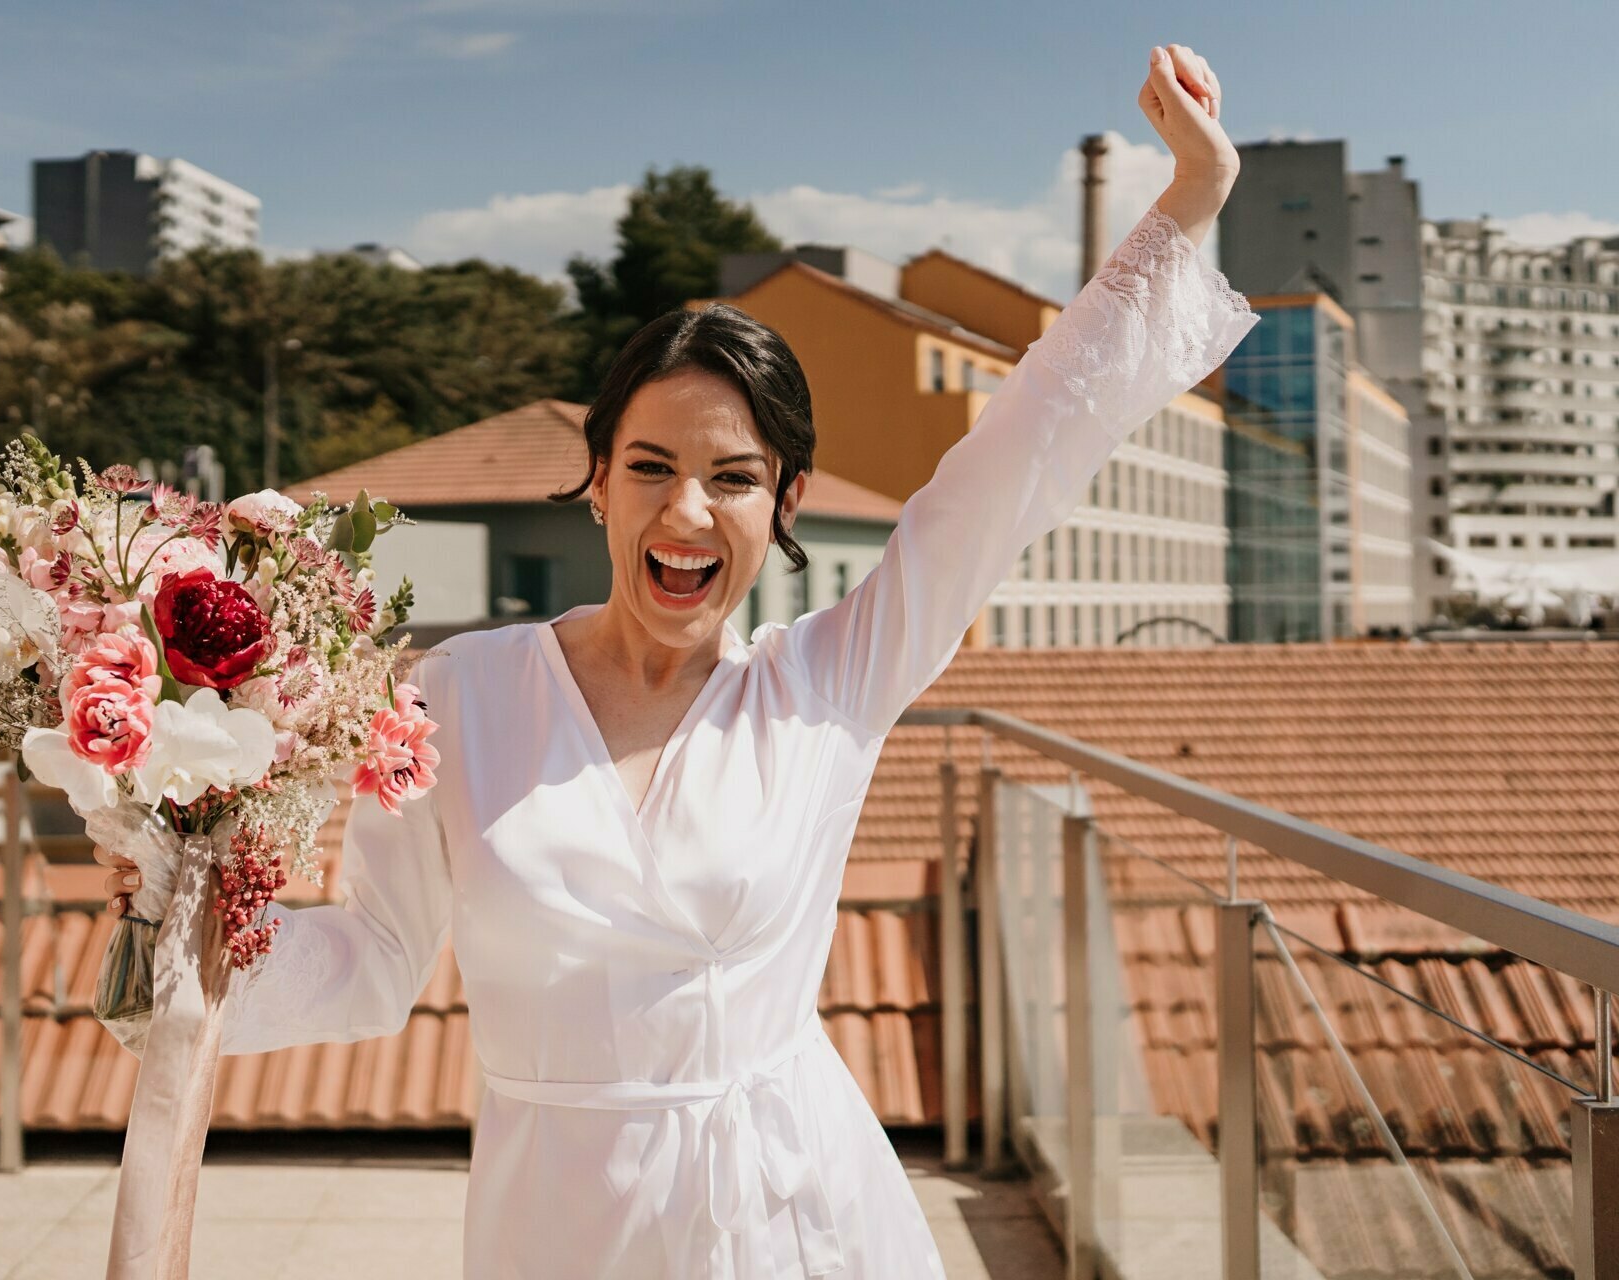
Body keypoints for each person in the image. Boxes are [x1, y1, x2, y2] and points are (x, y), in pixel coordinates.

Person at [98, 43, 1254, 1279]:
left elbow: (1013, 461)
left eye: (735, 477)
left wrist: (1190, 199)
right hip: (562, 1224)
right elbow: (377, 962)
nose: (688, 511)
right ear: (597, 483)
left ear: (786, 500)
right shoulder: (453, 697)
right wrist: (171, 937)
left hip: (799, 1215)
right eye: (650, 466)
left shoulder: (827, 683)